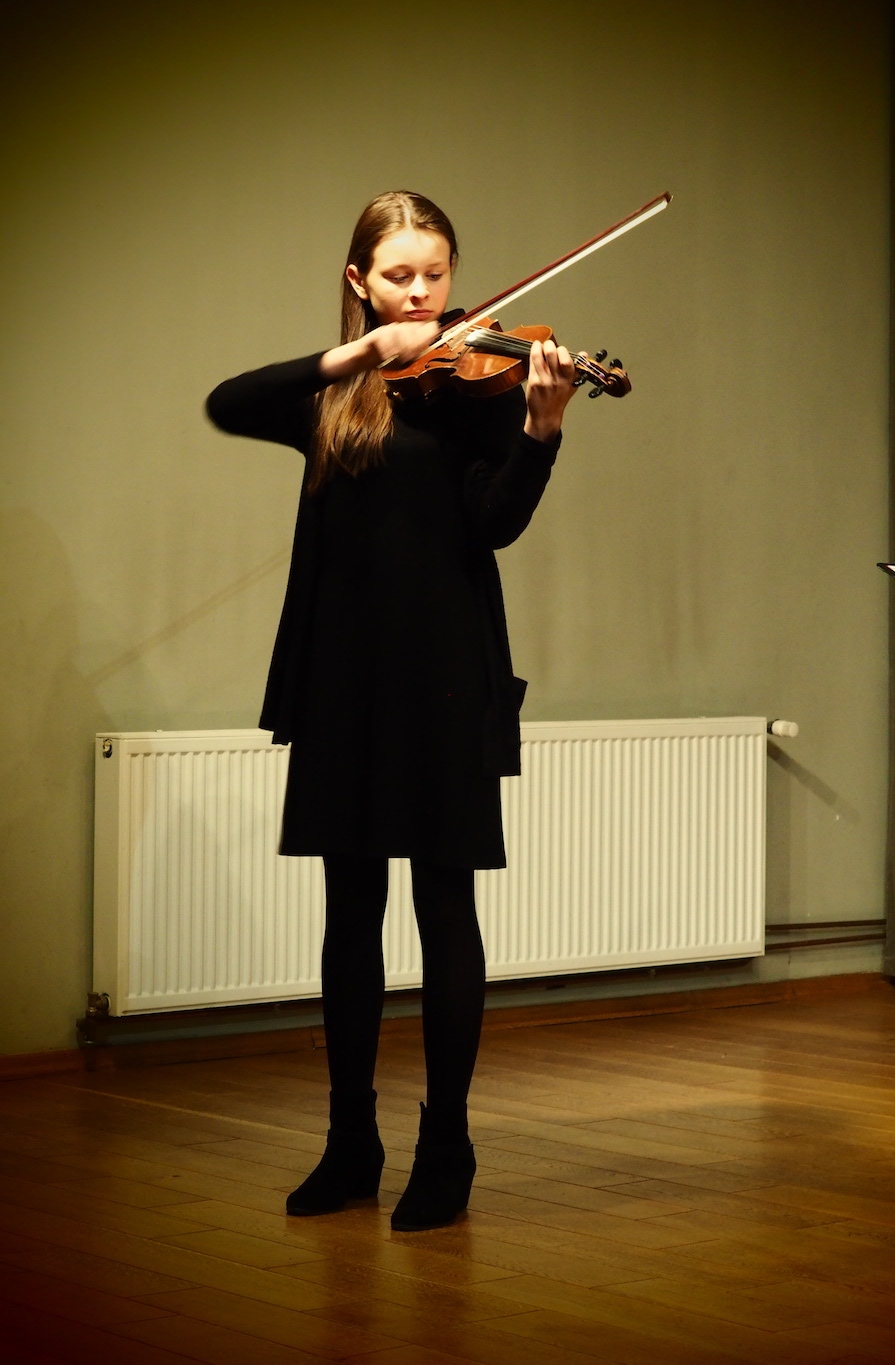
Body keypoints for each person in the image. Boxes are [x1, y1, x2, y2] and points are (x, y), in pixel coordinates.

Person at [205, 190, 580, 1232]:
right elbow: (228, 400)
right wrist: (360, 356)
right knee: (349, 914)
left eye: (436, 274)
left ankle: (446, 1146)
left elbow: (494, 524)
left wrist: (541, 429)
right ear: (360, 281)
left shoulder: (479, 387)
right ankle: (350, 1142)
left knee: (444, 909)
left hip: (446, 677)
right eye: (400, 276)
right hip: (344, 678)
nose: (422, 294)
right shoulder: (333, 399)